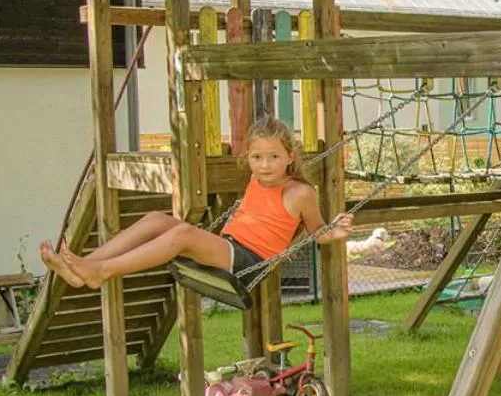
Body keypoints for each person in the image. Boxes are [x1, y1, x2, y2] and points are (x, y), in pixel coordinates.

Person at [40, 117, 353, 288]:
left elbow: (316, 232)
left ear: (289, 158)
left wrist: (335, 232)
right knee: (154, 219)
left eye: (274, 157)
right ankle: (84, 267)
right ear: (248, 158)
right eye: (257, 158)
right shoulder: (256, 179)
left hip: (249, 262)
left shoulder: (299, 192)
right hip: (228, 245)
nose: (265, 165)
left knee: (183, 235)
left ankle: (101, 271)